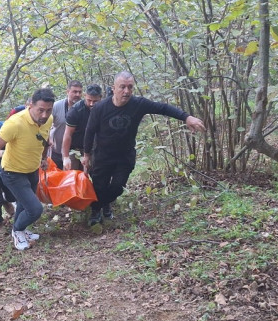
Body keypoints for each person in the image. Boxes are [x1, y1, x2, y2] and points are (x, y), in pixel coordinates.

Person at [83, 71, 206, 225]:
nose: (126, 91)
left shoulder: (138, 104)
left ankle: (103, 203)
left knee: (117, 187)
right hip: (102, 155)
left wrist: (187, 117)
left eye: (130, 87)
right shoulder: (100, 108)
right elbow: (89, 132)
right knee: (99, 186)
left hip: (124, 156)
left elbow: (163, 108)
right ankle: (96, 211)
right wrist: (87, 155)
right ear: (113, 88)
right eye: (122, 87)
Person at [0, 88, 55, 250]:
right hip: (13, 172)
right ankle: (17, 230)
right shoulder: (15, 123)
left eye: (48, 110)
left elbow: (44, 139)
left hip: (32, 170)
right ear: (30, 106)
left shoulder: (48, 120)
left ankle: (21, 229)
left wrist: (43, 158)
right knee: (35, 209)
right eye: (40, 110)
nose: (44, 115)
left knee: (23, 204)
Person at [61, 84, 103, 170]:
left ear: (100, 98)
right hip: (74, 149)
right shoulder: (75, 111)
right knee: (72, 176)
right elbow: (68, 134)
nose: (91, 104)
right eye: (89, 100)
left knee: (90, 176)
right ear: (85, 96)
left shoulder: (104, 109)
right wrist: (66, 157)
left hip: (93, 149)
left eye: (95, 101)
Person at [49, 80, 83, 169]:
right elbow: (45, 124)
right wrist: (48, 138)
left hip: (76, 152)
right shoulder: (56, 106)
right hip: (57, 151)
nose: (77, 95)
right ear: (67, 92)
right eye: (74, 92)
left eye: (80, 92)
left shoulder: (84, 108)